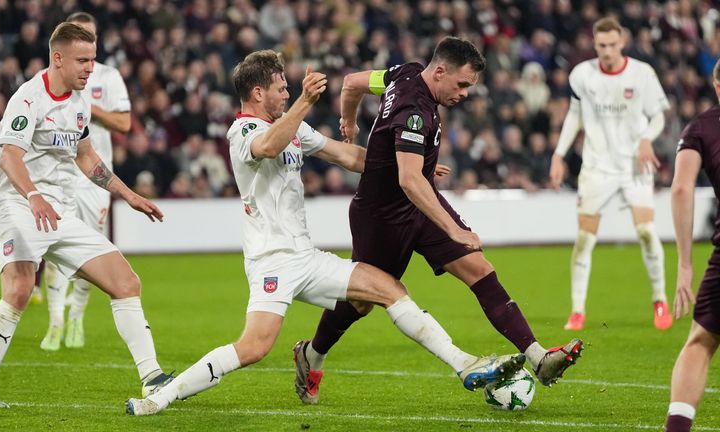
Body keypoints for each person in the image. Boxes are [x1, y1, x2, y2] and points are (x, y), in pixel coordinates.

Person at [124, 50, 525, 416]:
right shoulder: (241, 132)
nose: (287, 92)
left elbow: (348, 155)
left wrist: (412, 161)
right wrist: (304, 102)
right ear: (258, 92)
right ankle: (162, 396)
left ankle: (465, 365)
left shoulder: (293, 128)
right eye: (282, 88)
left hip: (307, 256)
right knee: (254, 347)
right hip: (272, 261)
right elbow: (266, 147)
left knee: (390, 289)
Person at [294, 36, 583, 405]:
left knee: (479, 268)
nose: (464, 94)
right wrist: (453, 228)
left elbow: (351, 83)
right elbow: (408, 179)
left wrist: (348, 123)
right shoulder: (414, 107)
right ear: (441, 70)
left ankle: (538, 357)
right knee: (362, 301)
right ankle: (311, 355)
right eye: (462, 85)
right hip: (382, 217)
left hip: (418, 205)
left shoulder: (405, 71)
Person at [0, 22, 171, 408]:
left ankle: (153, 377)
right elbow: (9, 155)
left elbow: (87, 157)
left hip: (58, 209)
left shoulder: (79, 101)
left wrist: (129, 195)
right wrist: (33, 195)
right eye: (82, 60)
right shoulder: (27, 98)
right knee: (21, 288)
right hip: (17, 204)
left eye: (93, 60)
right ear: (57, 58)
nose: (90, 68)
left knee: (126, 282)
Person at [549, 17, 672, 331]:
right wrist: (559, 154)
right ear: (594, 44)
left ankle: (660, 300)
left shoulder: (642, 74)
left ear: (622, 42)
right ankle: (577, 311)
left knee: (646, 232)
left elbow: (659, 116)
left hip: (634, 166)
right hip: (596, 167)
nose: (607, 50)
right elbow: (574, 115)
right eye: (601, 45)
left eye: (612, 45)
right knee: (585, 239)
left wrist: (646, 139)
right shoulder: (582, 75)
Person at [39, 12, 133, 351]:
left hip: (95, 175)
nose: (88, 62)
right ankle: (55, 322)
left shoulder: (107, 77)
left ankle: (76, 317)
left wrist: (88, 107)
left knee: (91, 251)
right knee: (53, 247)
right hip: (60, 176)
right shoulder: (49, 80)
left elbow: (124, 124)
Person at [663, 59, 720, 432]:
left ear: (717, 86)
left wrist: (685, 262)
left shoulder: (701, 127)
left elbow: (682, 188)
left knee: (701, 342)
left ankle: (677, 428)